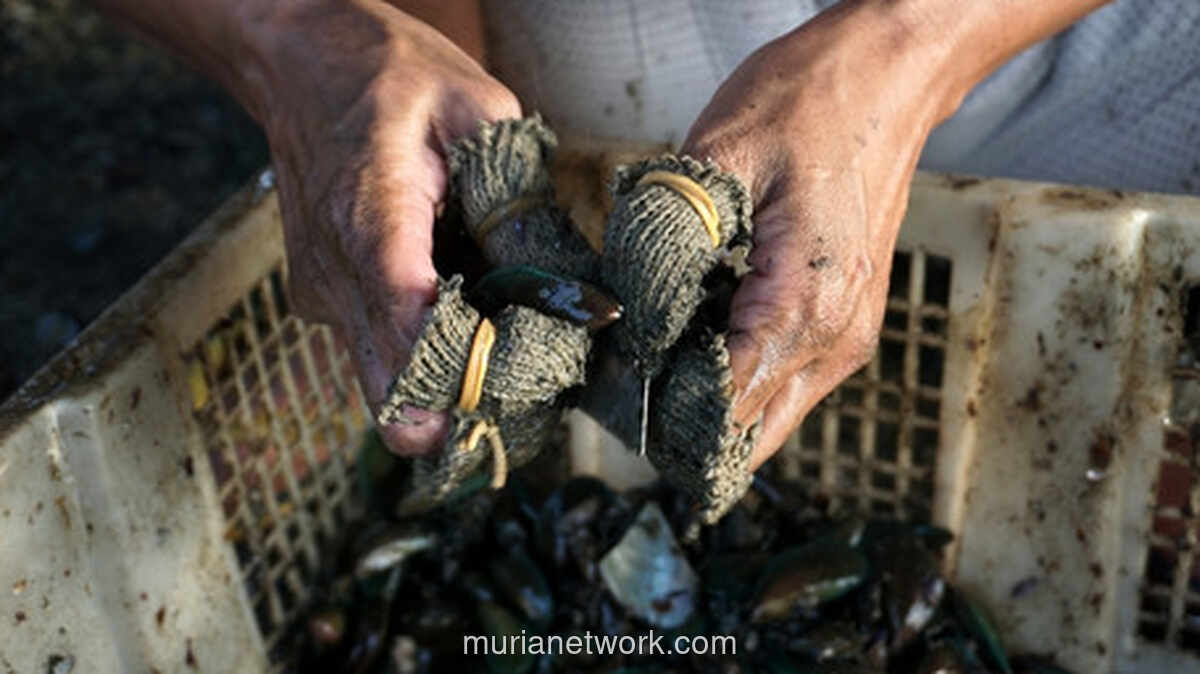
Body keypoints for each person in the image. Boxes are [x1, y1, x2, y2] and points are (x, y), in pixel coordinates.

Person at [91, 0, 1199, 469]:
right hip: (584, 44)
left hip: (1096, 51)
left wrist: (910, 50)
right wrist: (309, 42)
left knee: (1127, 421)